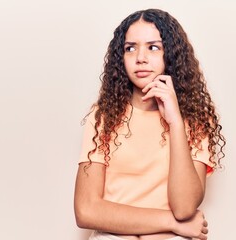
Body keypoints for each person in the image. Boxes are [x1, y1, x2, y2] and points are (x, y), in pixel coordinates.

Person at [74, 8, 226, 240]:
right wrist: (171, 223)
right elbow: (86, 210)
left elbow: (184, 208)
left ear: (170, 55)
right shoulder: (103, 116)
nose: (140, 58)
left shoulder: (194, 120)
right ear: (120, 57)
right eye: (130, 48)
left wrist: (175, 122)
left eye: (153, 47)